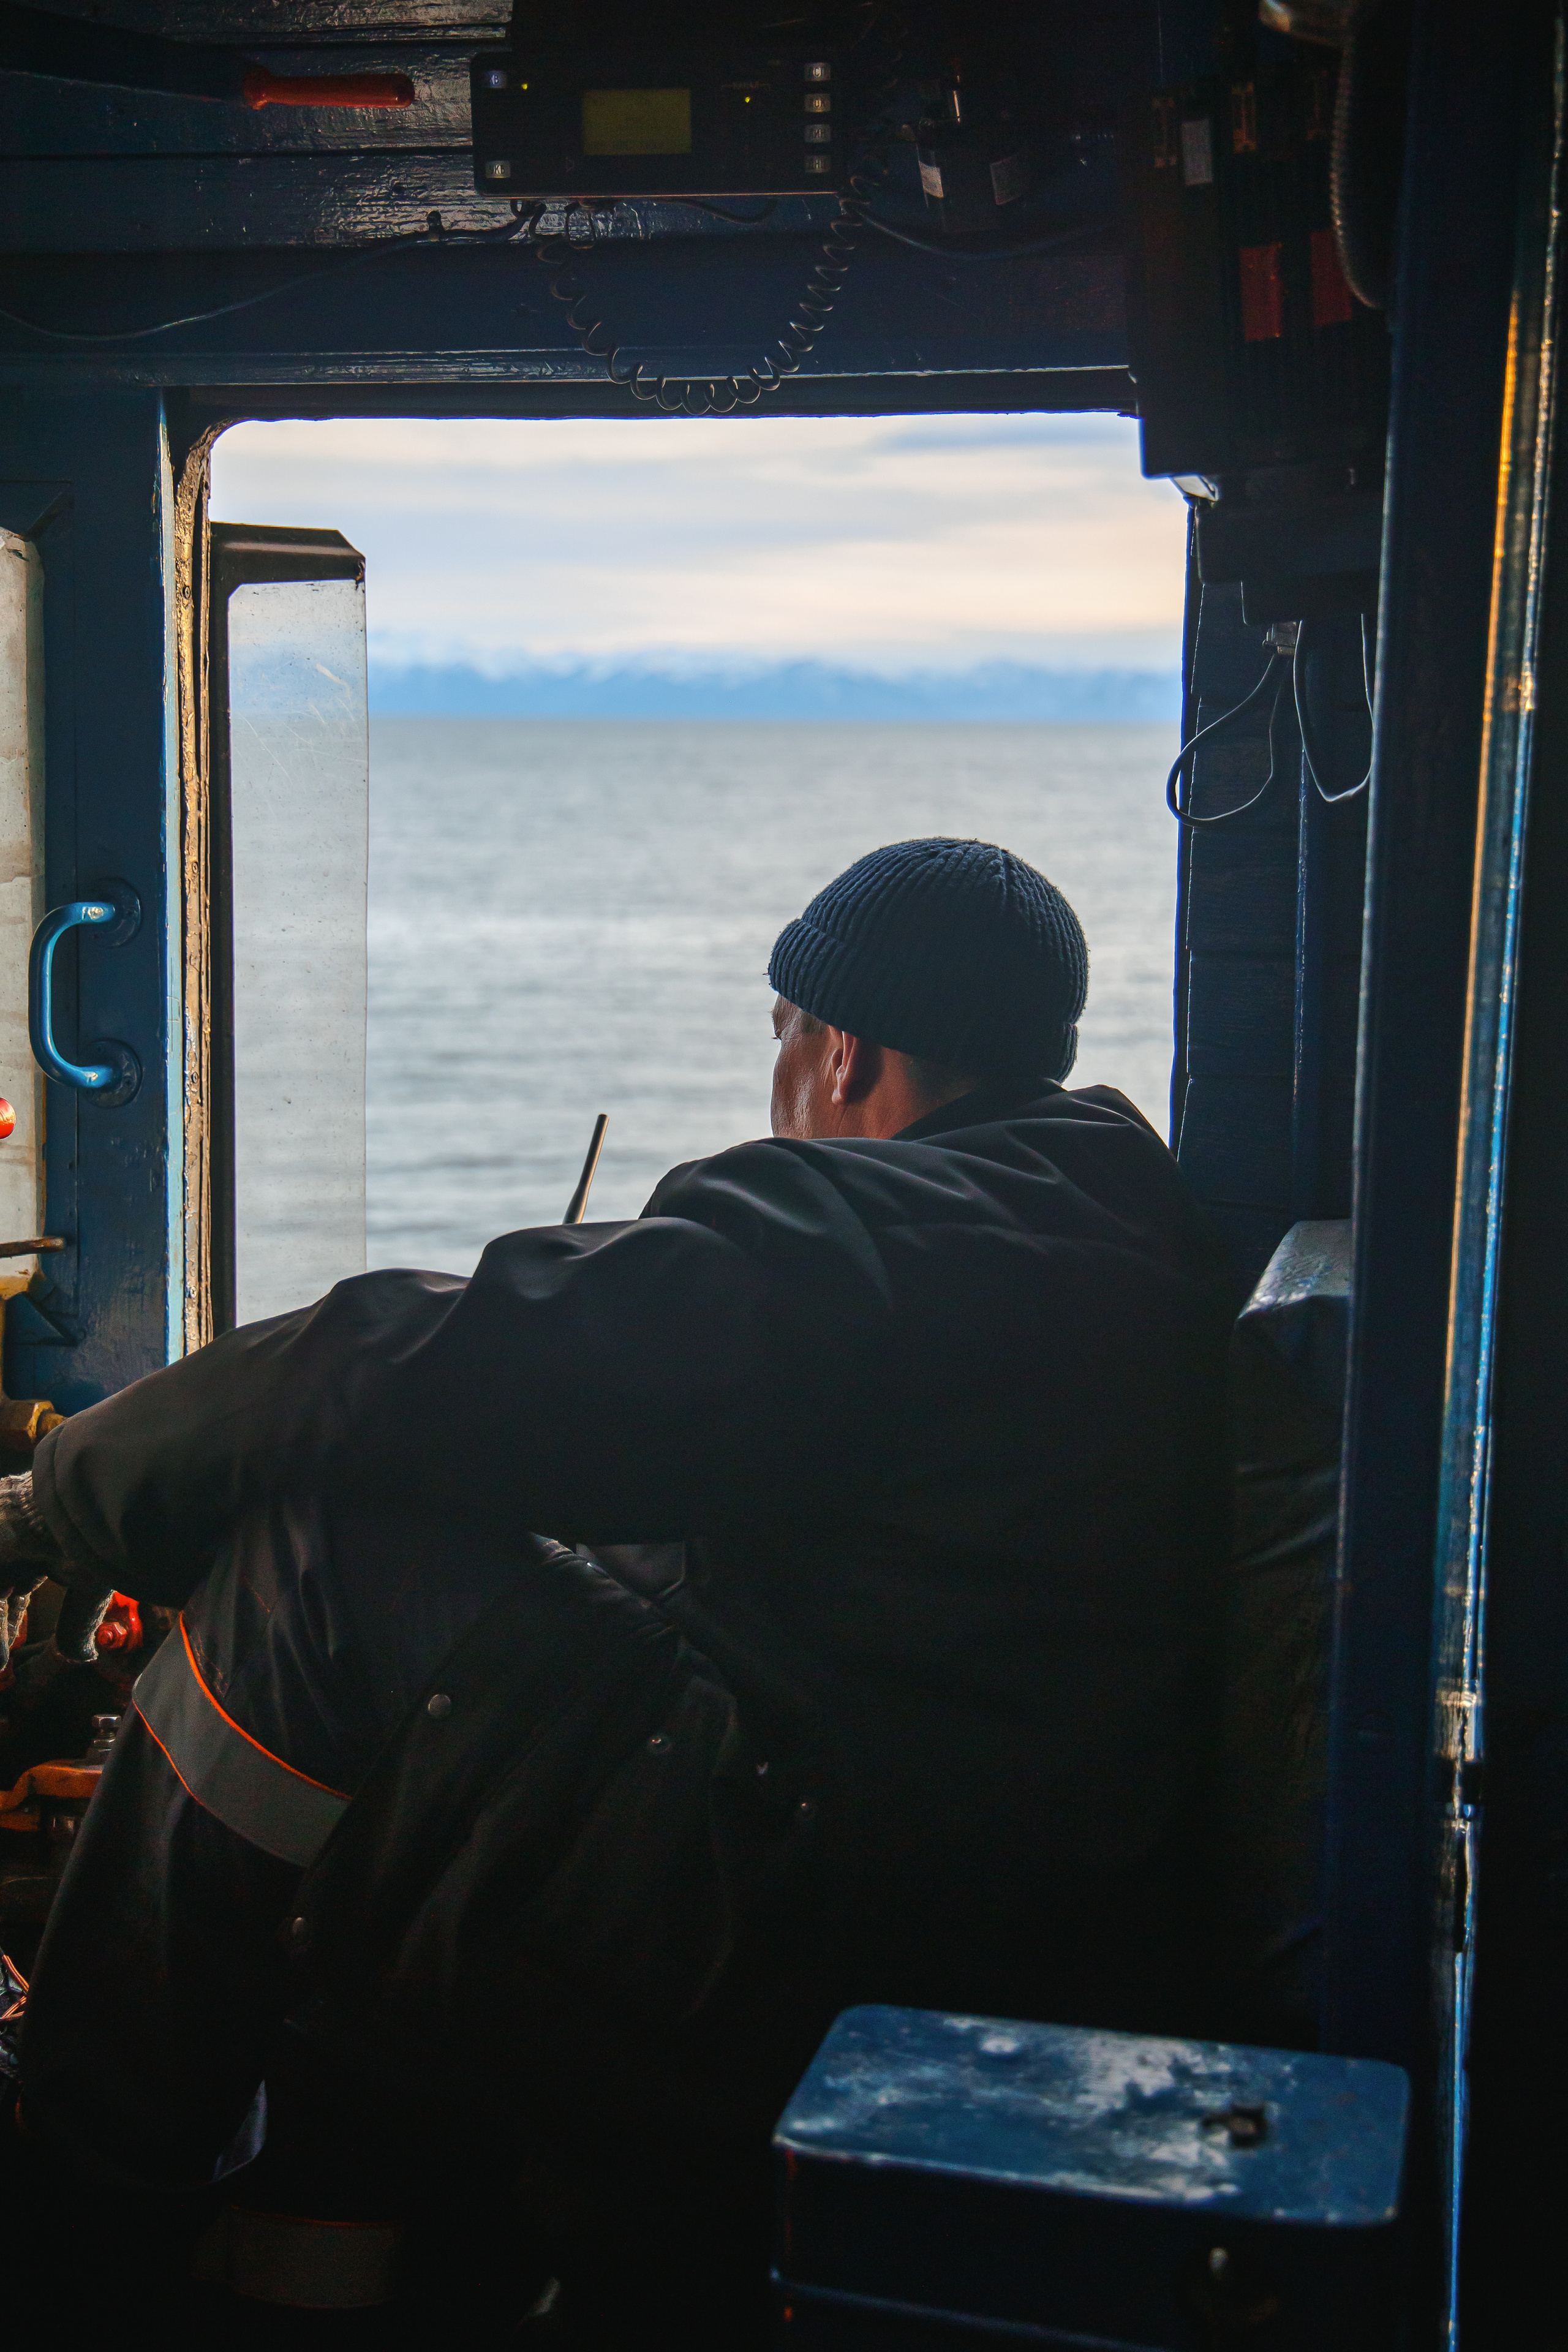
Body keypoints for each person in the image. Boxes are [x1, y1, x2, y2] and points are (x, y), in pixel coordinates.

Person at [0, 838, 1234, 2340]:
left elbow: (393, 1364)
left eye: (781, 1032)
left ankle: (71, 2207)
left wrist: (54, 1502)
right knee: (384, 1807)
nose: (779, 1074)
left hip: (817, 1941)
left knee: (321, 1566)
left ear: (841, 1051)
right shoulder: (1102, 1223)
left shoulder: (877, 1235)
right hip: (989, 1911)